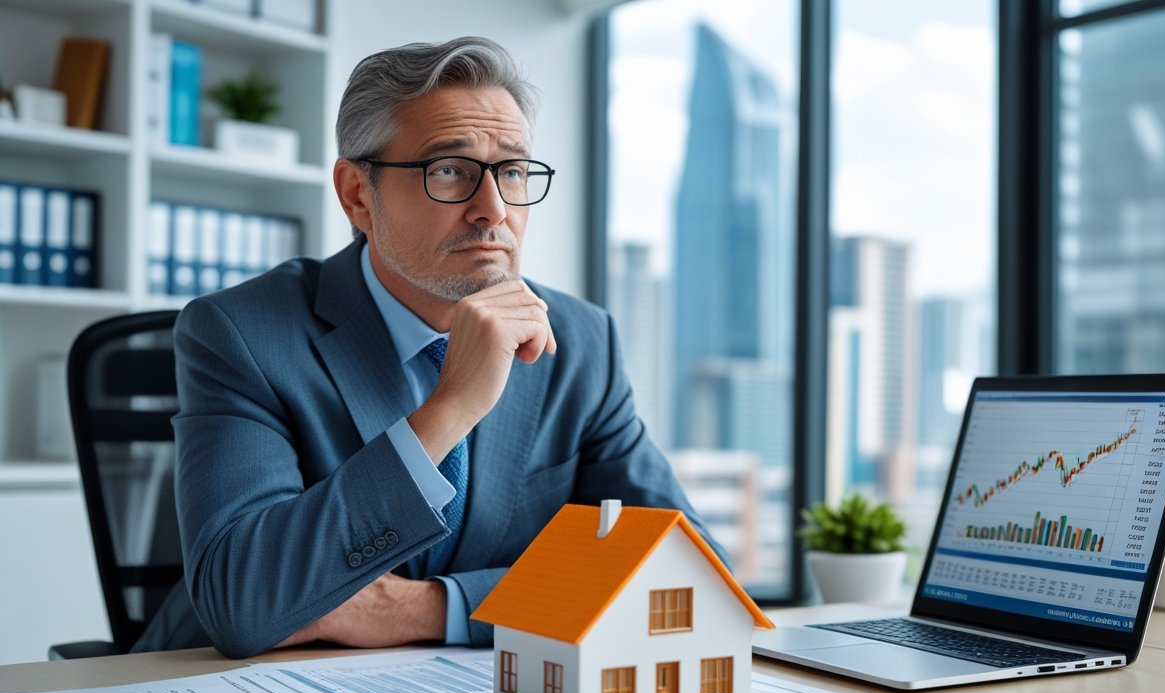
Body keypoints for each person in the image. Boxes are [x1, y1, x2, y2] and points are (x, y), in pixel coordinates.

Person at [136, 36, 728, 659]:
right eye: (450, 171)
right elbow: (245, 600)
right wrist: (450, 409)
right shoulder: (242, 332)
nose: (492, 209)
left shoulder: (580, 341)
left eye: (513, 171)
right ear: (358, 196)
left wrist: (428, 609)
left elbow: (687, 574)